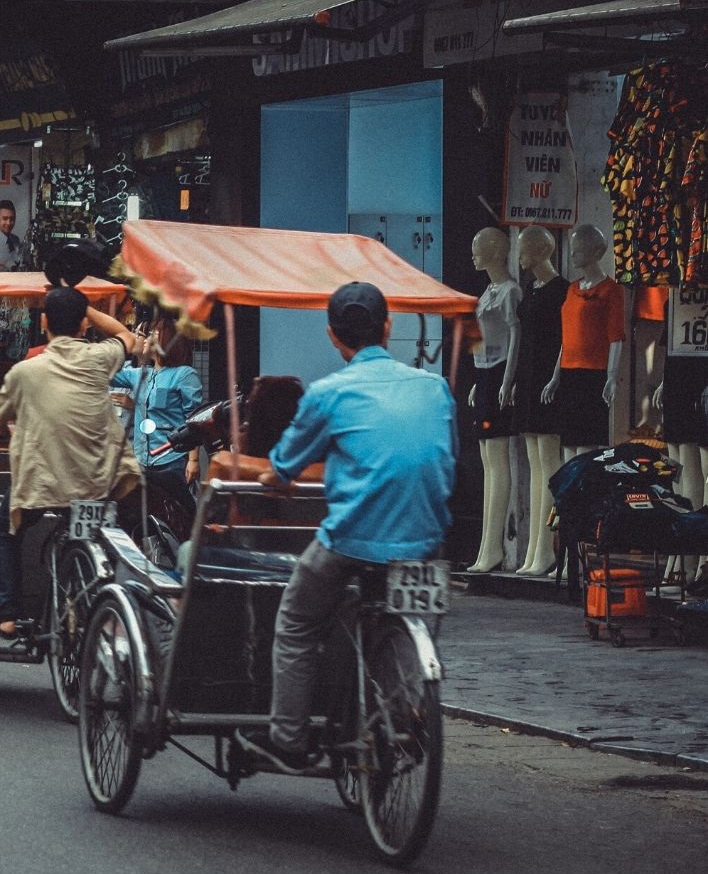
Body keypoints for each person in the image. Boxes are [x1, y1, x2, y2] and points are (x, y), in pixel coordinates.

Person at [236, 282, 456, 773]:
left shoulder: (329, 393)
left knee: (295, 621)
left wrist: (274, 478)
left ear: (334, 337)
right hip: (428, 542)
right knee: (406, 619)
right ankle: (408, 712)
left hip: (352, 538)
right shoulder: (434, 387)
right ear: (388, 327)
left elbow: (283, 467)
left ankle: (288, 738)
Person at [0, 286, 140, 637]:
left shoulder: (25, 372)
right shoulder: (100, 358)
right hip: (96, 482)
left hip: (45, 484)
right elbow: (126, 336)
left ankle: (7, 611)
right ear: (84, 326)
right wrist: (86, 307)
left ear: (43, 322)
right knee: (103, 533)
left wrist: (4, 433)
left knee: (5, 532)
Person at [110, 331, 203, 515]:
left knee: (176, 511)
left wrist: (193, 460)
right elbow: (107, 373)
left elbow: (194, 419)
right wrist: (129, 348)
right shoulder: (140, 374)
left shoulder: (184, 374)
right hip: (142, 459)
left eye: (153, 333)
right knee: (144, 511)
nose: (145, 338)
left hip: (172, 459)